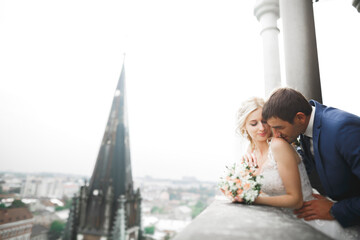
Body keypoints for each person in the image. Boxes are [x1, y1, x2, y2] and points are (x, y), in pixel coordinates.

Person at [234, 96, 360, 239]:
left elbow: (295, 198)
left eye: (265, 122)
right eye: (253, 123)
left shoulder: (279, 144)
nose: (262, 128)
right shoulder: (250, 154)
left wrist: (251, 198)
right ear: (244, 126)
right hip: (284, 220)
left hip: (310, 218)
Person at [262, 87, 360, 229]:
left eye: (279, 128)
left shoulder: (343, 129)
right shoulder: (304, 128)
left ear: (300, 117)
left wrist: (334, 209)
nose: (276, 135)